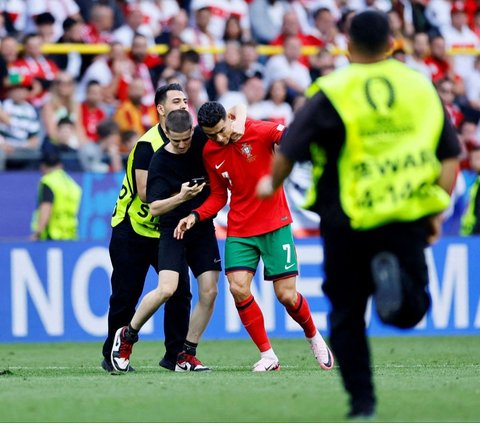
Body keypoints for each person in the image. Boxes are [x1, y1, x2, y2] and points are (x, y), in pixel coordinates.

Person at [256, 10, 461, 419]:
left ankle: (362, 403)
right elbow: (451, 156)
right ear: (392, 44)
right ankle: (398, 295)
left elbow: (291, 147)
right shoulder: (419, 86)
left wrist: (271, 183)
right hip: (405, 216)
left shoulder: (332, 89)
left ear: (347, 45)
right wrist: (437, 207)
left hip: (346, 218)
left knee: (347, 315)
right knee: (413, 306)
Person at [174, 101, 334, 373]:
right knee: (237, 288)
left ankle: (314, 336)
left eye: (221, 131)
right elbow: (217, 195)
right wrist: (196, 215)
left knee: (286, 296)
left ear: (229, 119)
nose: (218, 138)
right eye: (211, 135)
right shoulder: (211, 151)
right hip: (240, 228)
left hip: (275, 224)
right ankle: (268, 355)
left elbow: (290, 137)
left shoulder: (259, 131)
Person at [111, 109, 220, 372]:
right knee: (167, 289)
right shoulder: (159, 160)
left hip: (201, 225)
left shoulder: (200, 142)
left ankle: (185, 354)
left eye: (186, 139)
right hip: (173, 229)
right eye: (177, 140)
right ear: (167, 133)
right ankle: (127, 336)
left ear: (192, 131)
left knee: (210, 290)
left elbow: (235, 117)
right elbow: (156, 207)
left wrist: (195, 212)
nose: (183, 145)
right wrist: (182, 197)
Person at [101, 83, 192, 373]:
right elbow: (144, 193)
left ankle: (175, 355)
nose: (183, 105)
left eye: (186, 100)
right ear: (161, 109)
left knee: (179, 293)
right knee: (126, 295)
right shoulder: (147, 145)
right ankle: (112, 356)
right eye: (176, 101)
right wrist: (183, 194)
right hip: (133, 228)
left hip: (165, 229)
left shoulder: (188, 140)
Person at [30, 152, 82, 241]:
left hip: (52, 235)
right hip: (70, 234)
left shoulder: (48, 181)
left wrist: (37, 233)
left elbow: (46, 208)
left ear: (43, 166)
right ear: (60, 165)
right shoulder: (72, 184)